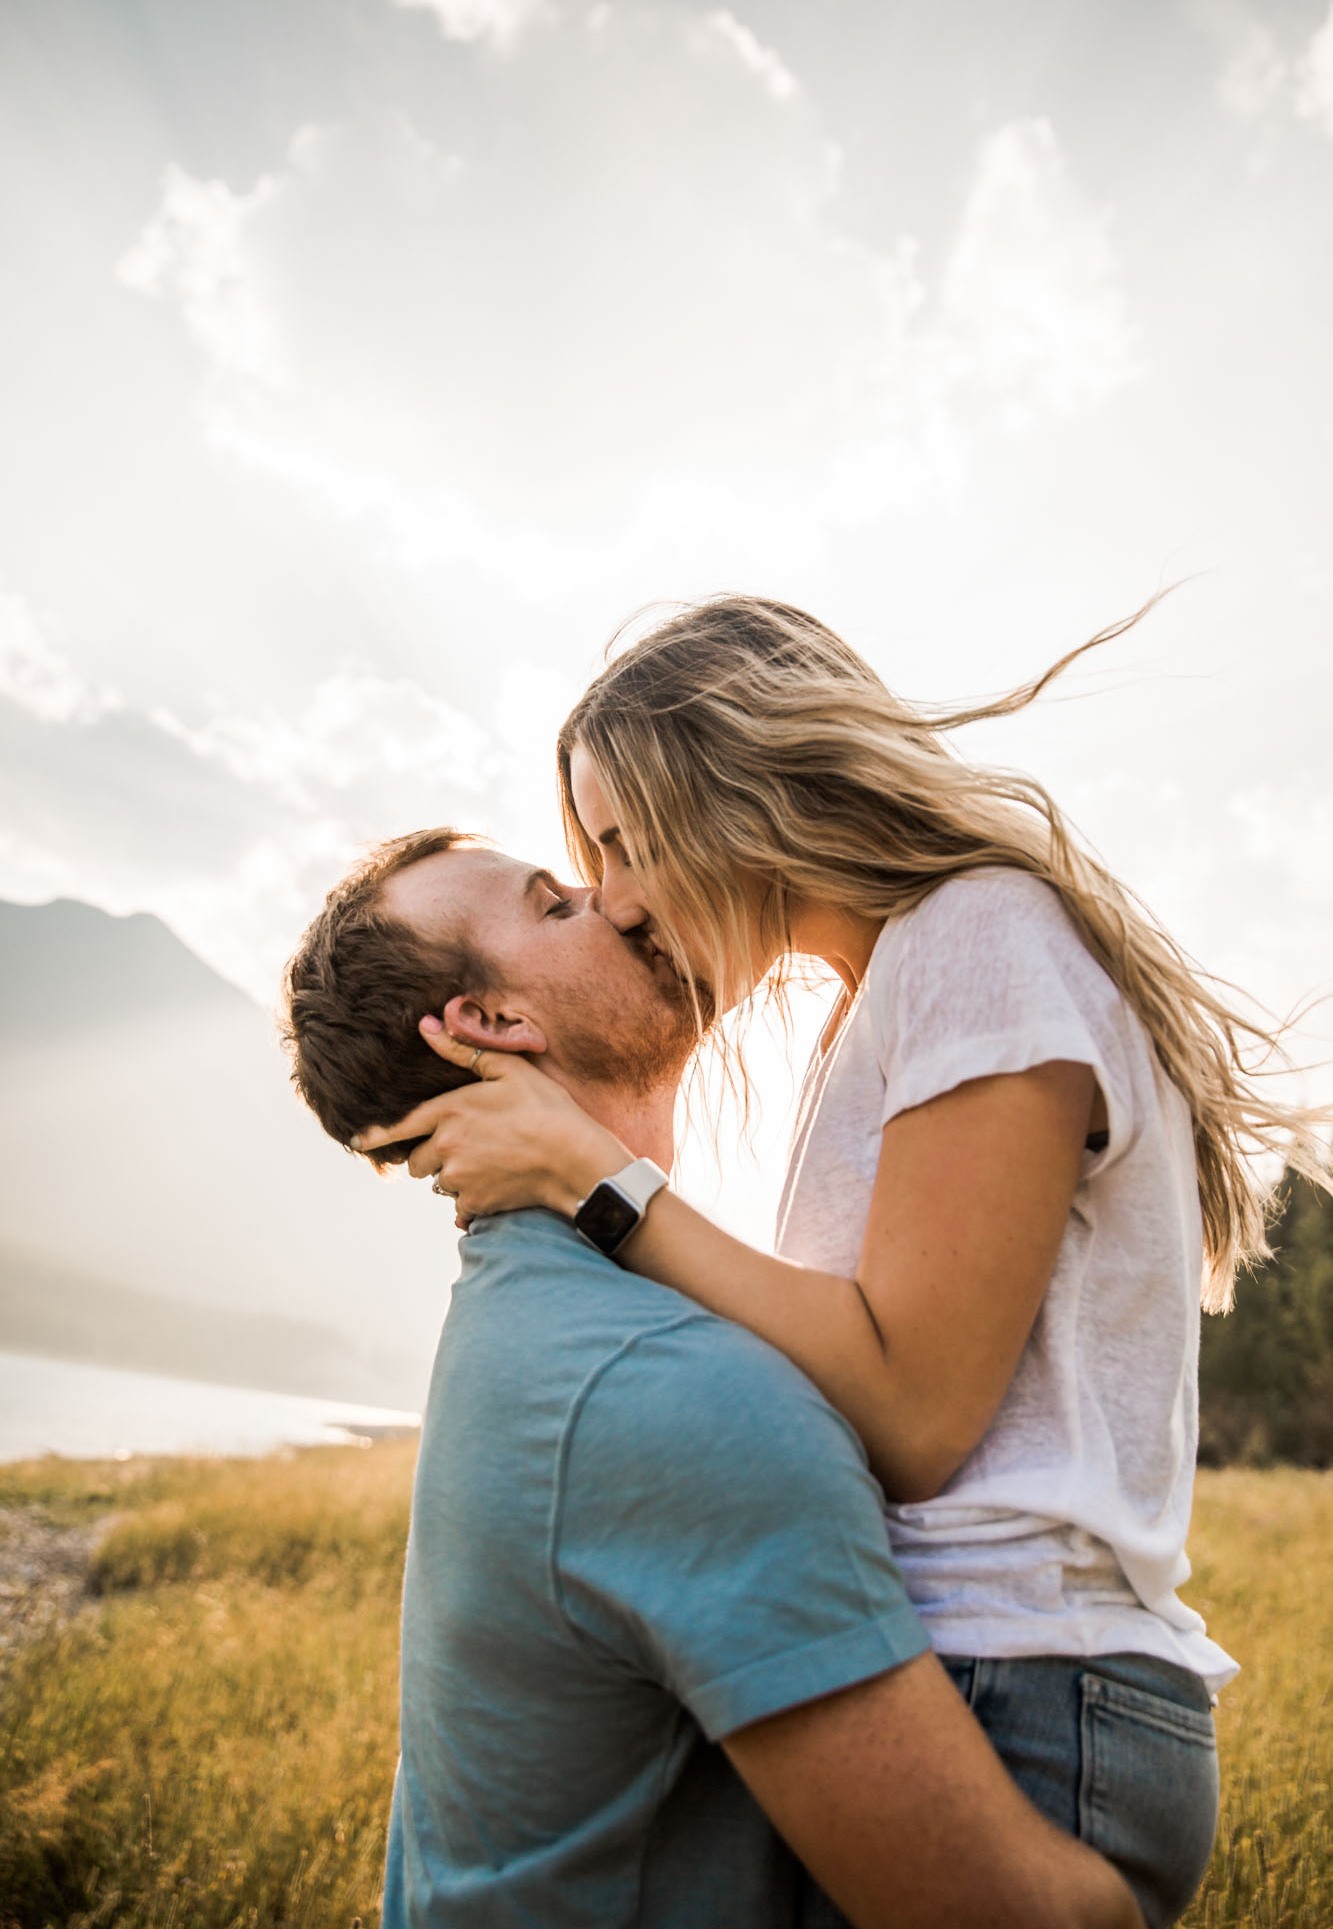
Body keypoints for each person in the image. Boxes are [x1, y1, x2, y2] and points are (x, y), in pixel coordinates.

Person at [357, 596, 1331, 1928]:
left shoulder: (978, 937)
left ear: (742, 786)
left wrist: (600, 1184)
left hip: (1026, 1682)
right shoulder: (898, 987)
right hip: (991, 1676)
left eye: (628, 844)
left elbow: (918, 1416)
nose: (625, 902)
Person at [282, 826, 1142, 1929]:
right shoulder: (660, 1386)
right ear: (494, 1025)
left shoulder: (550, 1318)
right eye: (557, 902)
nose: (623, 900)